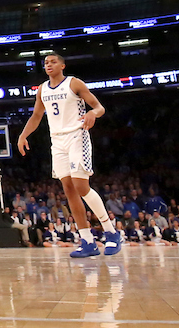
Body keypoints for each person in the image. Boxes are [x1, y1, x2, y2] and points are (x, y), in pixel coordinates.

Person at [17, 52, 121, 258]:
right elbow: (37, 115)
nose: (49, 65)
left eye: (53, 62)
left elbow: (99, 107)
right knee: (69, 189)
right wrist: (23, 135)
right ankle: (88, 241)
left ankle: (111, 232)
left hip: (76, 136)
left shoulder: (74, 83)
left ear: (62, 65)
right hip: (57, 141)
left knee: (81, 186)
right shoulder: (42, 90)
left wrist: (92, 113)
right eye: (46, 62)